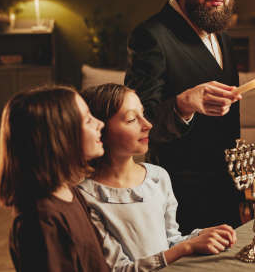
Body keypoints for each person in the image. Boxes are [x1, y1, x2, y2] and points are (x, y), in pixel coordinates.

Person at [125, 0, 242, 233]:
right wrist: (184, 104)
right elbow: (139, 124)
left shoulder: (223, 36)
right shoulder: (151, 36)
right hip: (178, 195)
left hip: (225, 188)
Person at [78, 83, 237, 272]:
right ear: (100, 128)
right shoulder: (85, 196)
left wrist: (200, 236)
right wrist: (187, 247)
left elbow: (170, 242)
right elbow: (118, 269)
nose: (148, 125)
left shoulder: (157, 177)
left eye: (143, 114)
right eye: (131, 119)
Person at [0, 86, 110, 272]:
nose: (100, 123)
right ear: (60, 137)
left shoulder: (70, 192)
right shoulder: (41, 220)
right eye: (88, 120)